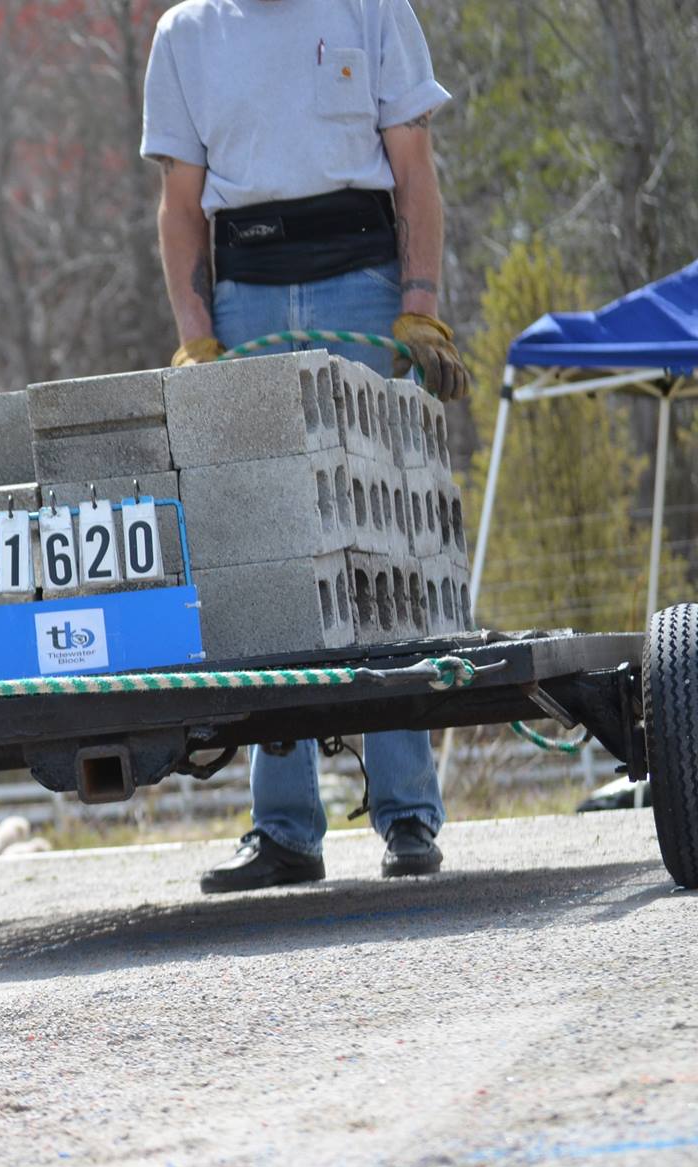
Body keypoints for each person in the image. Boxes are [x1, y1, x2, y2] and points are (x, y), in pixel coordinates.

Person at [141, 0, 472, 893]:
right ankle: (285, 829)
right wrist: (196, 333)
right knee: (264, 552)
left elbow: (413, 173)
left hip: (361, 286)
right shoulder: (187, 34)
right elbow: (179, 206)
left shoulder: (371, 10)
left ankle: (407, 814)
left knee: (382, 544)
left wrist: (421, 303)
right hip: (246, 289)